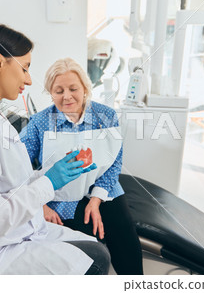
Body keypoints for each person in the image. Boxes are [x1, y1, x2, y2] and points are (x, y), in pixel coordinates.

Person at [0, 24, 110, 275]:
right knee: (95, 261)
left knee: (96, 248)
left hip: (17, 233)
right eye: (24, 68)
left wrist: (52, 173)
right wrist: (48, 182)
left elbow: (8, 182)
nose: (28, 79)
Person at [20, 58, 143, 275]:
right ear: (50, 93)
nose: (67, 96)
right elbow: (18, 166)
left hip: (102, 190)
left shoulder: (106, 116)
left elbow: (114, 161)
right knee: (87, 250)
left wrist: (96, 200)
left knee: (125, 237)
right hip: (60, 197)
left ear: (85, 89)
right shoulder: (40, 123)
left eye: (73, 88)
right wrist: (40, 205)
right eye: (58, 90)